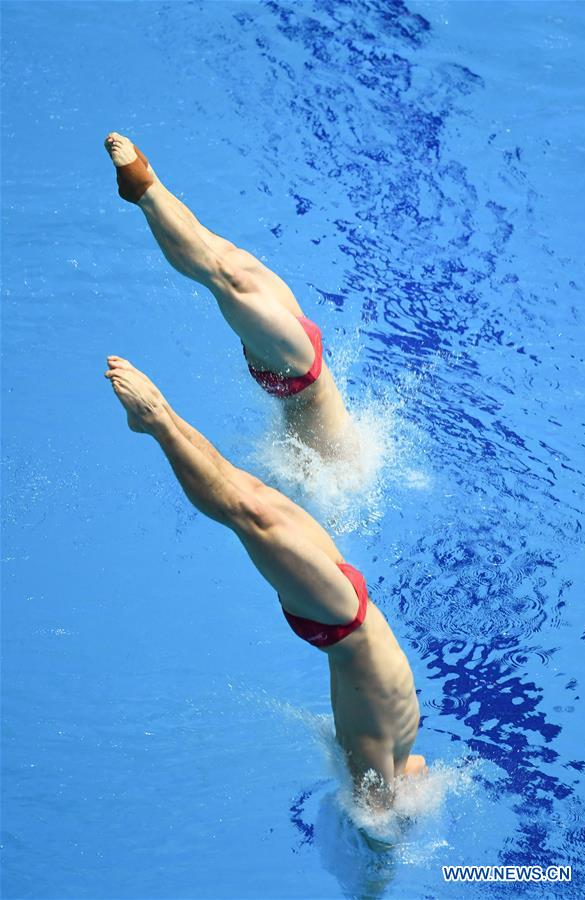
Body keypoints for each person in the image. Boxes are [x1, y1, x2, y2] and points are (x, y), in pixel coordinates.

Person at [104, 355, 426, 809]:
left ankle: (159, 420)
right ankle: (160, 419)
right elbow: (383, 817)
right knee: (247, 499)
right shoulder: (375, 785)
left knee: (248, 509)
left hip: (345, 609)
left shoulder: (385, 760)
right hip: (343, 614)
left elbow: (413, 772)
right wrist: (377, 868)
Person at [104, 132, 352, 457]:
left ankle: (152, 185)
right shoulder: (340, 485)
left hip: (304, 350)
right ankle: (144, 192)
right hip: (297, 374)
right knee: (225, 275)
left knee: (228, 257)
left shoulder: (356, 458)